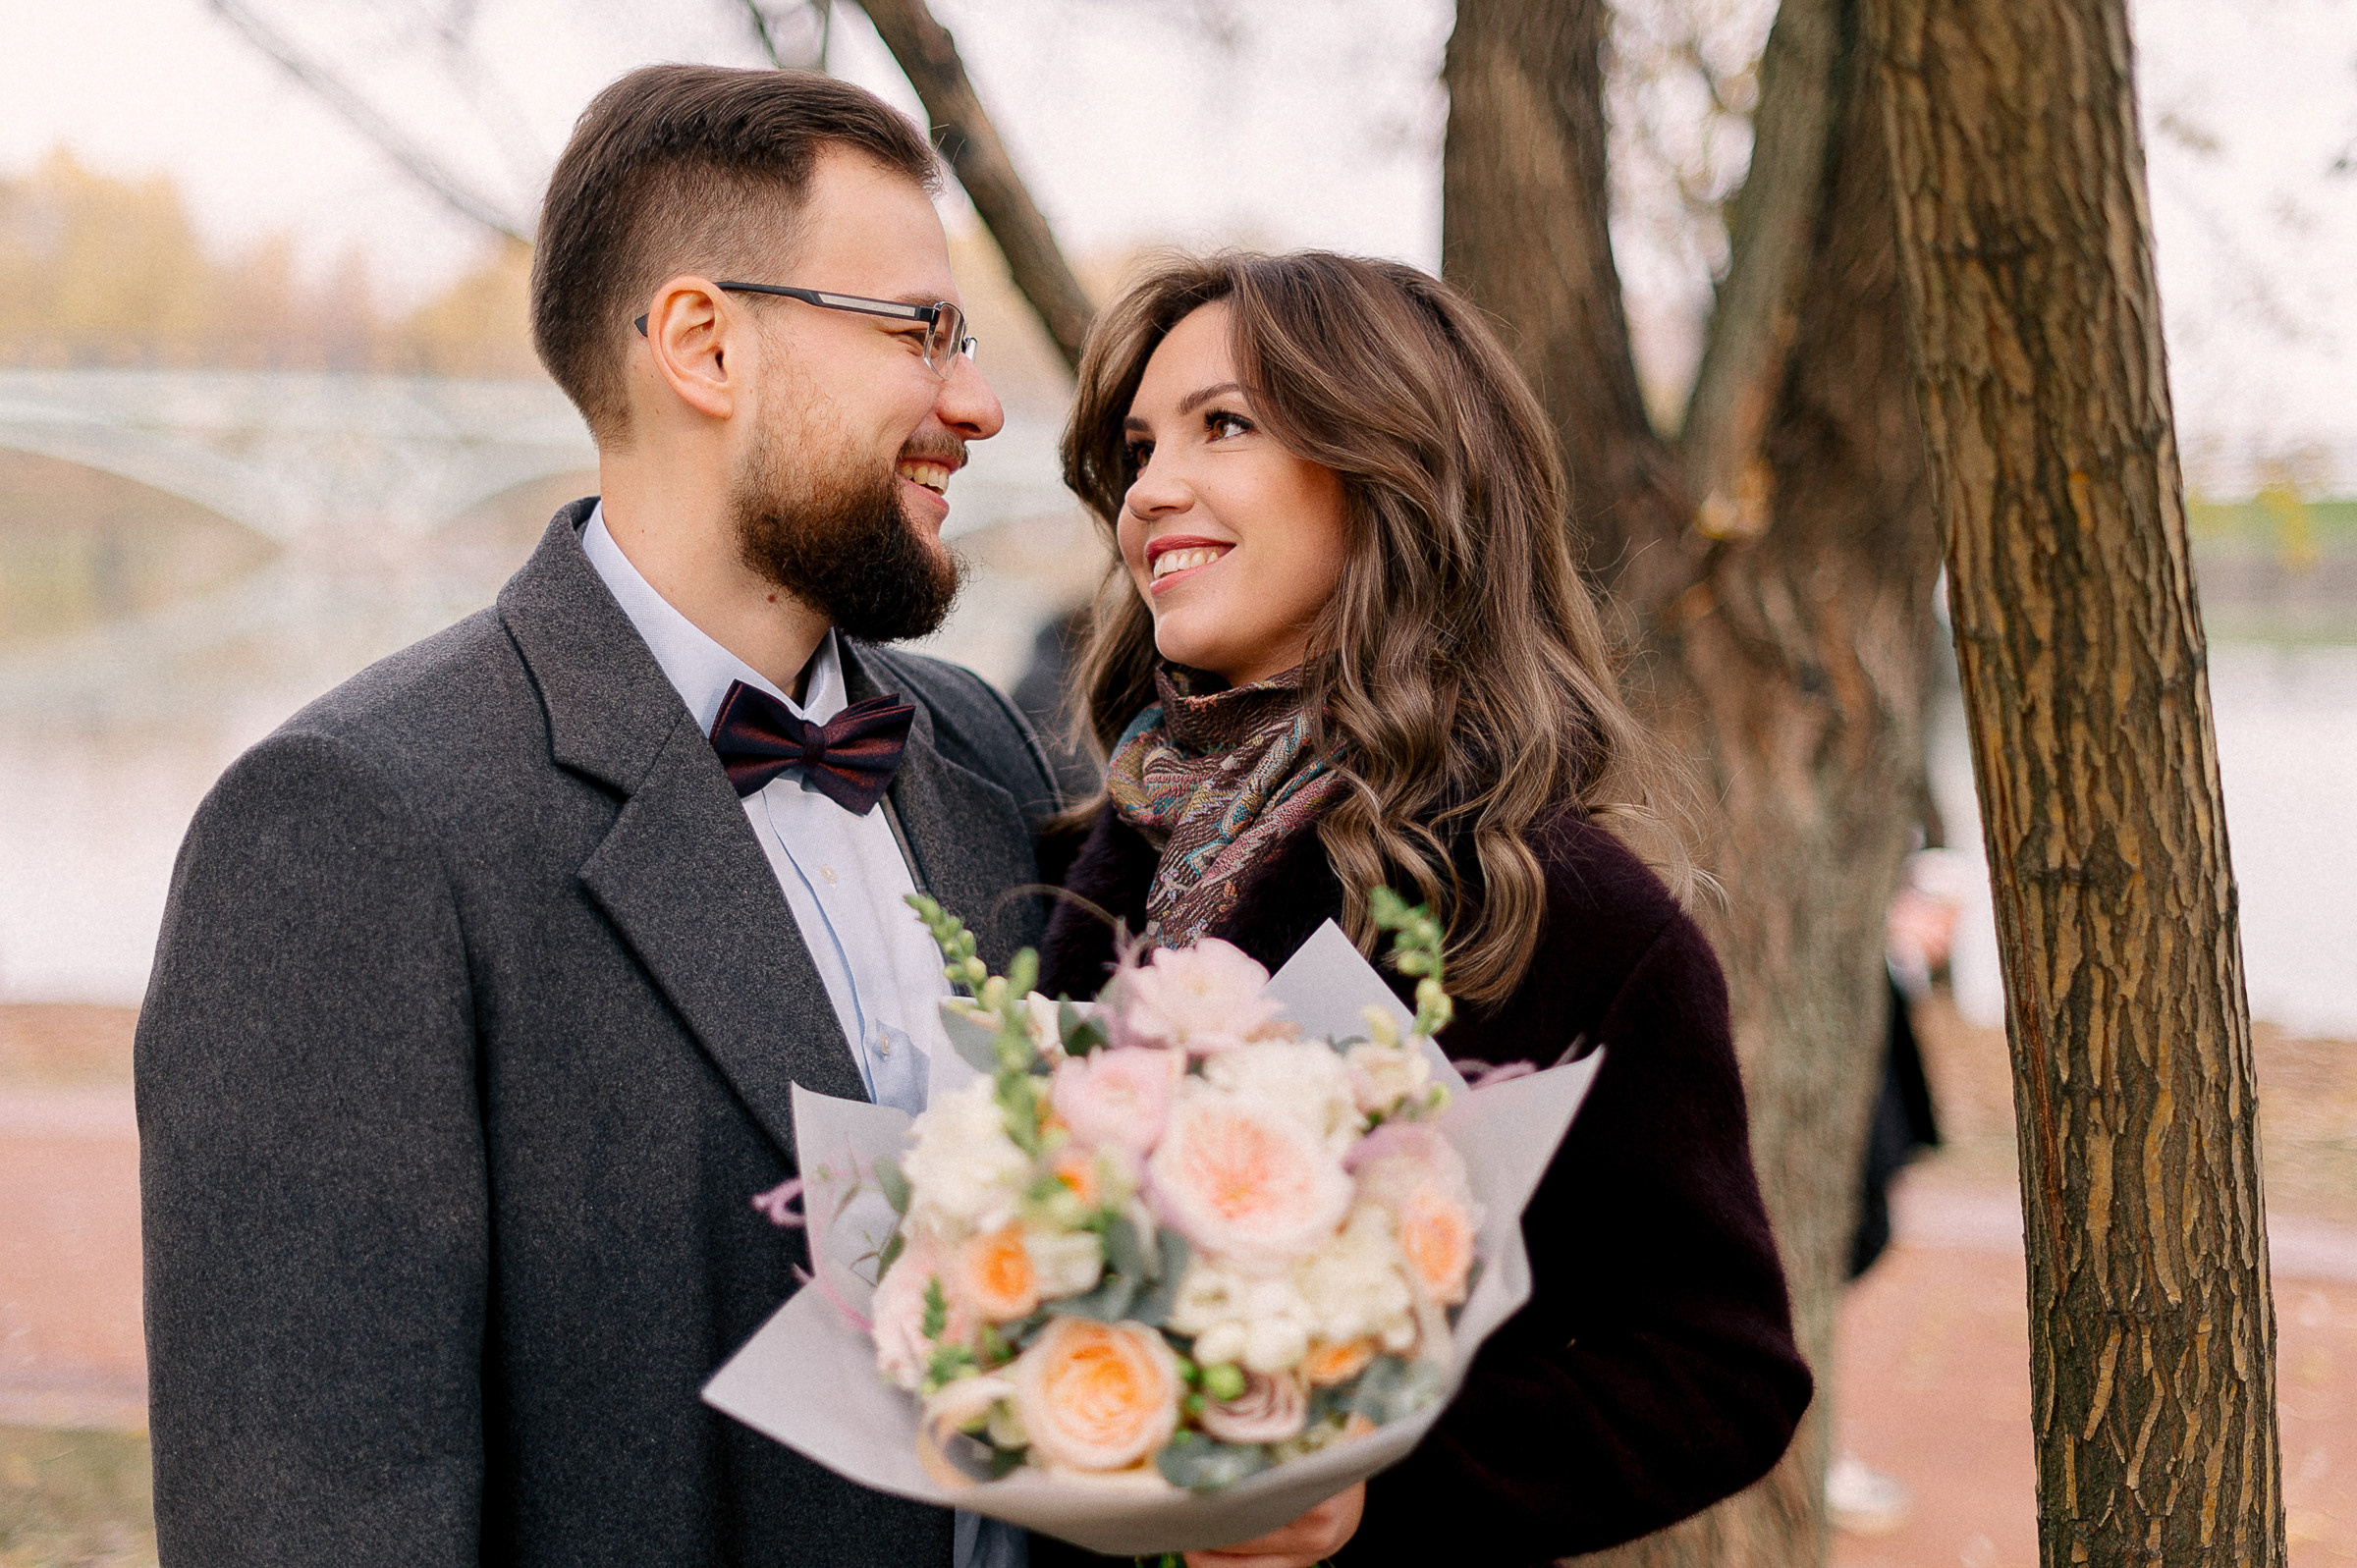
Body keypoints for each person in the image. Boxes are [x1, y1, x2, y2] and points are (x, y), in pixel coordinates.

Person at [136, 66, 1058, 1566]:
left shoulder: (982, 754)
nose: (978, 401)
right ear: (703, 344)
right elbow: (317, 1518)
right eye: (920, 331)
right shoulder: (348, 827)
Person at [1031, 251, 1815, 1567]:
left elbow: (1720, 1373)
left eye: (1223, 425)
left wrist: (1370, 1482)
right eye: (1138, 446)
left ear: (1389, 466)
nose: (1152, 488)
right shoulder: (1085, 845)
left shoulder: (1566, 911)